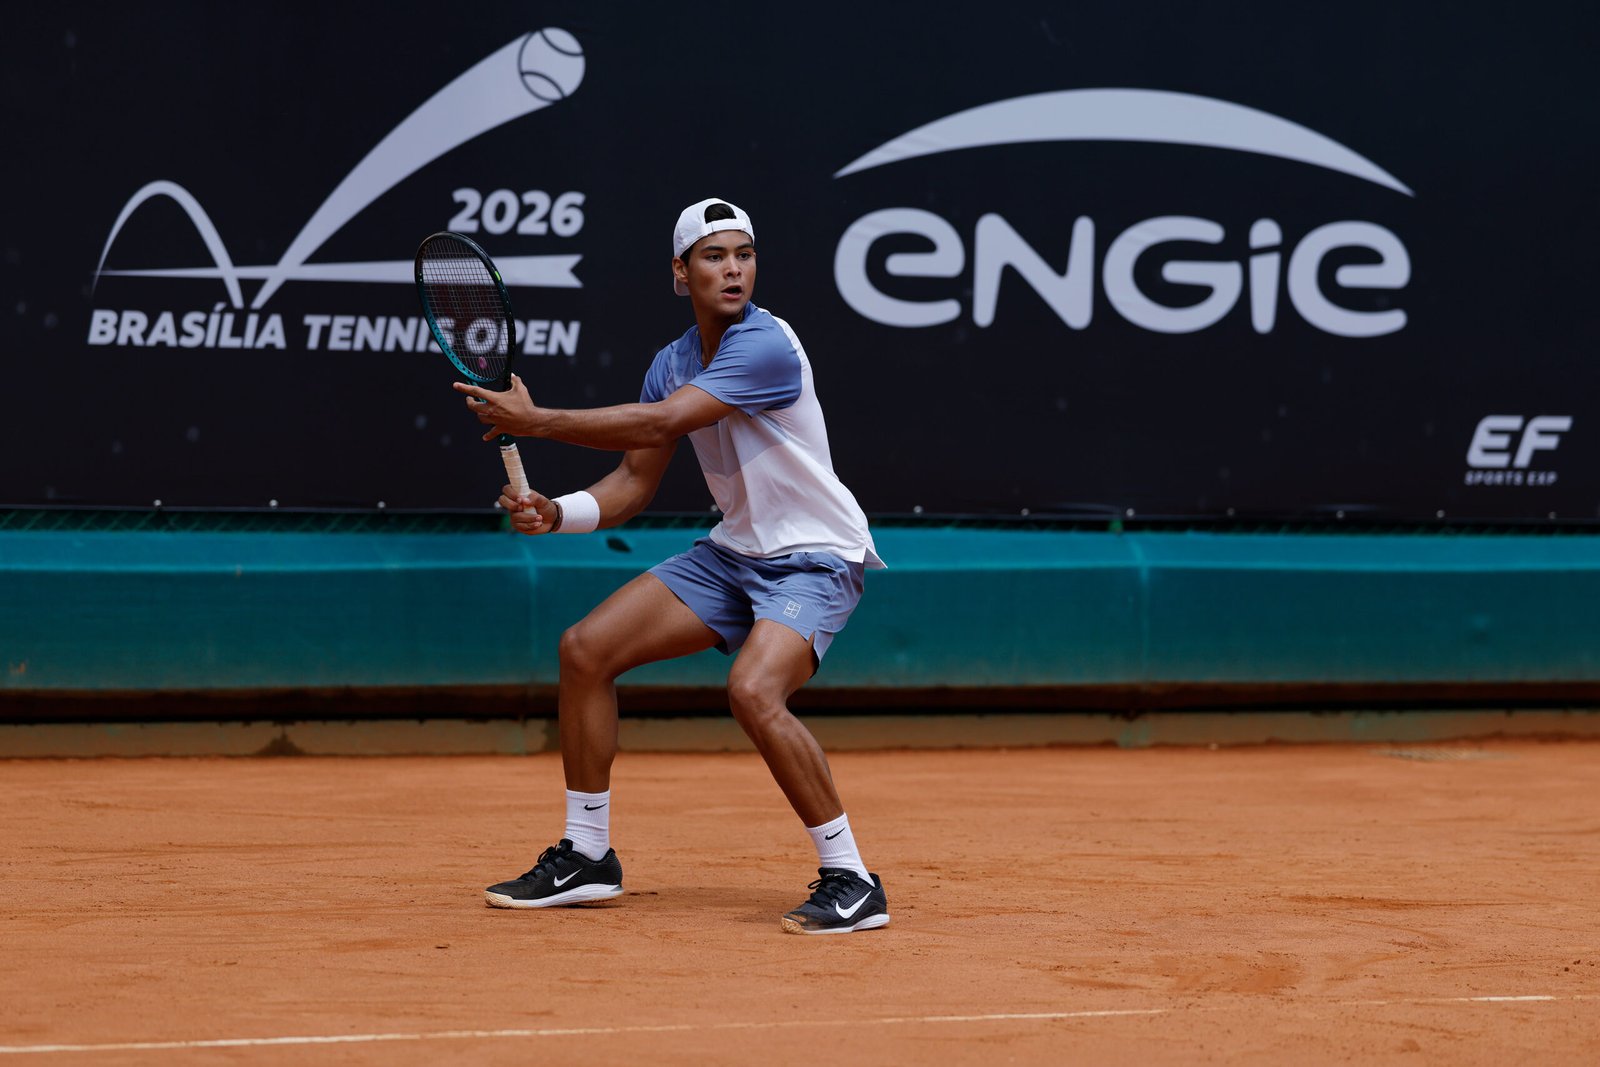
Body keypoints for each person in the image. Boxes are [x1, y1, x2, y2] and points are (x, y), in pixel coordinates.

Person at [452, 198, 889, 935]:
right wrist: (556, 511)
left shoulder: (767, 345)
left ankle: (851, 876)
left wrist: (539, 421)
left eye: (744, 255)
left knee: (753, 689)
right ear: (680, 273)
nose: (733, 270)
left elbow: (661, 423)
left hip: (815, 557)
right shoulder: (673, 361)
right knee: (586, 650)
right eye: (715, 256)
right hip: (733, 553)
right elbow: (631, 484)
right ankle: (588, 854)